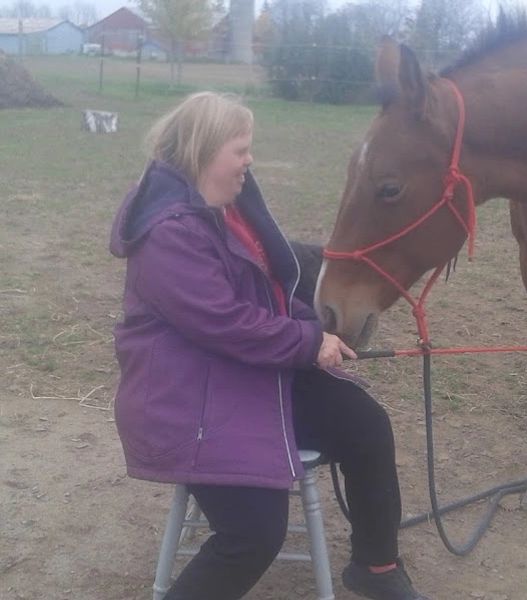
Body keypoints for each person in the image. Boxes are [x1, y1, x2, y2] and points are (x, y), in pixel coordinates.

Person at [109, 91, 431, 600]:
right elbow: (226, 322)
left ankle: (376, 565)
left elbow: (270, 290)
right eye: (241, 149)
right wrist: (308, 342)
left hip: (243, 375)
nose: (249, 161)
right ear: (205, 150)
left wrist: (317, 329)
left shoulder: (226, 210)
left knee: (366, 424)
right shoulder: (170, 231)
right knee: (252, 535)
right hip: (189, 398)